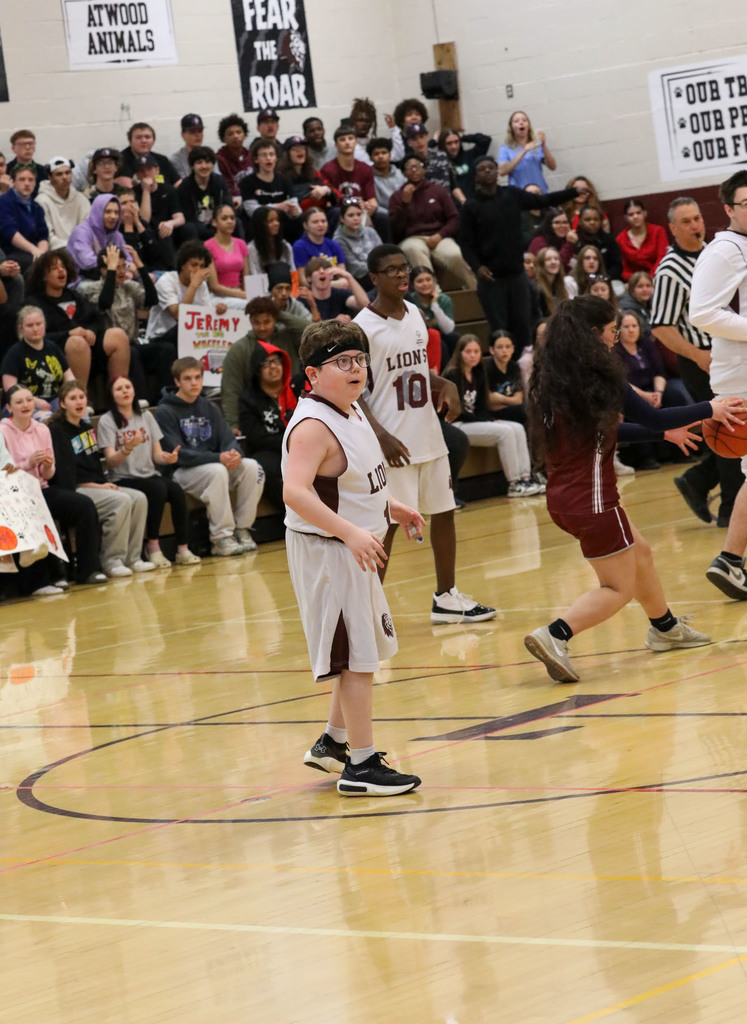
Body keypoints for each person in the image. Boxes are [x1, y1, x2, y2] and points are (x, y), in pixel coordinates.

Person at [523, 295, 740, 683]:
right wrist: (712, 408)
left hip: (564, 496)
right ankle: (555, 634)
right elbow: (653, 416)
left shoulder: (556, 379)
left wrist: (665, 433)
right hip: (592, 500)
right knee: (618, 588)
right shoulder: (599, 375)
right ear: (592, 334)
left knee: (640, 552)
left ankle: (665, 627)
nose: (615, 337)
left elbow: (605, 433)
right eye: (611, 330)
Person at [282, 318, 424, 795]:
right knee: (357, 658)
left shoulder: (351, 408)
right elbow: (295, 493)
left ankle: (333, 743)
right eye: (342, 362)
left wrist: (391, 508)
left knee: (361, 649)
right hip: (329, 551)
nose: (355, 368)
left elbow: (354, 482)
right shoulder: (311, 427)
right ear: (312, 375)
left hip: (353, 544)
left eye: (360, 359)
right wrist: (350, 533)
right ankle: (361, 769)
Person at [354, 244, 496, 623]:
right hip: (393, 444)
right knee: (384, 527)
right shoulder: (361, 327)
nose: (402, 275)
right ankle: (366, 609)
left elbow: (413, 374)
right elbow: (353, 389)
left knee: (444, 512)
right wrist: (379, 435)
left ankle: (446, 598)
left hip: (428, 435)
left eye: (405, 268)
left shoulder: (416, 312)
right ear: (374, 278)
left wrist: (444, 385)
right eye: (391, 270)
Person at [651, 196, 744, 528]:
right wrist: (697, 354)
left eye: (698, 218)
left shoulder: (715, 253)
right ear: (673, 228)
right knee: (733, 428)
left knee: (730, 429)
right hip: (700, 359)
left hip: (727, 354)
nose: (696, 225)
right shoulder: (670, 270)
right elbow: (660, 325)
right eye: (687, 221)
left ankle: (698, 480)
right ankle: (730, 513)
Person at [689, 170, 747, 598]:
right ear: (728, 210)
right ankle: (729, 559)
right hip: (741, 373)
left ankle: (729, 561)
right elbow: (702, 313)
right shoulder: (724, 250)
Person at [460, 156, 583, 350]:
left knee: (523, 327)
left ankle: (527, 372)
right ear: (475, 176)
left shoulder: (512, 195)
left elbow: (543, 200)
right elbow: (465, 244)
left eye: (491, 168)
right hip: (491, 279)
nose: (487, 171)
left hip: (516, 274)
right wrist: (478, 267)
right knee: (500, 330)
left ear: (497, 172)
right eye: (482, 169)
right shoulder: (470, 206)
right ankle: (505, 375)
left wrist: (572, 192)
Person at [155, 357, 264, 557]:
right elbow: (179, 455)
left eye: (198, 377)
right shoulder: (165, 411)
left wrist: (234, 454)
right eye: (187, 378)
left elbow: (228, 438)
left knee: (253, 468)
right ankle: (221, 538)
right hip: (181, 472)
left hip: (213, 465)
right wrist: (218, 458)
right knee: (217, 471)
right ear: (177, 382)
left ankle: (242, 529)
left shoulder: (209, 407)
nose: (194, 382)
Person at [48, 379, 155, 577]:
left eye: (82, 397)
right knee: (120, 501)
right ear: (63, 404)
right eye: (73, 398)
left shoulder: (86, 429)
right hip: (77, 488)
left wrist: (104, 484)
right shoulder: (57, 431)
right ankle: (112, 560)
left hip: (97, 485)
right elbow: (67, 475)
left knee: (139, 498)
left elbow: (95, 465)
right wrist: (98, 486)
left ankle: (133, 558)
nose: (79, 402)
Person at [97, 376, 200, 567]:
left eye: (128, 386)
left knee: (176, 491)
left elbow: (157, 455)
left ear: (134, 391)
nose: (125, 391)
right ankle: (152, 546)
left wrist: (168, 458)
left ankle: (182, 549)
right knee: (158, 489)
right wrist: (127, 448)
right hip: (123, 478)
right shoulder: (107, 421)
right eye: (119, 389)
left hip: (149, 474)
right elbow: (110, 462)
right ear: (111, 395)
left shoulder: (146, 417)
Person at [443, 335, 542, 496]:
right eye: (468, 351)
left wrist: (487, 419)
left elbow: (482, 405)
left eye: (476, 351)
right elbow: (458, 412)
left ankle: (526, 478)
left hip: (475, 421)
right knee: (506, 432)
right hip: (457, 424)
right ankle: (514, 483)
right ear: (460, 353)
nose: (473, 355)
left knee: (516, 428)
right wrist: (486, 420)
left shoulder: (478, 372)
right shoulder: (453, 375)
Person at [25, 249, 131, 391]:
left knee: (118, 335)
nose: (61, 271)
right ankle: (80, 397)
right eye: (55, 268)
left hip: (89, 347)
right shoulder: (34, 303)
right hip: (56, 351)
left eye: (63, 267)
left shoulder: (75, 296)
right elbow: (35, 337)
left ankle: (120, 392)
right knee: (77, 343)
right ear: (44, 276)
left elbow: (96, 319)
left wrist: (91, 331)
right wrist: (68, 334)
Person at [0, 385, 70, 596]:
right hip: (13, 491)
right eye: (19, 402)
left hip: (24, 488)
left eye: (28, 400)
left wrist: (43, 466)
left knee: (27, 499)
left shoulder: (41, 430)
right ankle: (25, 556)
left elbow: (6, 467)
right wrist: (26, 464)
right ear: (9, 408)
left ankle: (38, 574)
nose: (25, 405)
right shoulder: (4, 430)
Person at [221, 294, 309, 430]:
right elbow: (230, 389)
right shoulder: (239, 349)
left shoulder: (288, 336)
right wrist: (233, 424)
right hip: (257, 413)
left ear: (275, 319)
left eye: (267, 321)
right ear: (250, 321)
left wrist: (278, 313)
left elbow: (308, 329)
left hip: (293, 402)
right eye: (257, 322)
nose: (262, 327)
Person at [389, 155, 475, 289]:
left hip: (439, 236)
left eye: (417, 166)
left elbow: (454, 218)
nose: (414, 170)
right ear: (404, 173)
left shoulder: (438, 191)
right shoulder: (397, 196)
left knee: (455, 254)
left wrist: (441, 234)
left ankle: (476, 290)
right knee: (414, 250)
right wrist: (405, 204)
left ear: (424, 169)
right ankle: (433, 297)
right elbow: (396, 228)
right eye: (409, 168)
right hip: (412, 238)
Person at [238, 339, 297, 511]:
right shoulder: (248, 399)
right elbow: (256, 437)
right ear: (257, 370)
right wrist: (289, 442)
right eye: (266, 363)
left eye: (276, 361)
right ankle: (290, 515)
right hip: (272, 451)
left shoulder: (296, 388)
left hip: (301, 447)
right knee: (259, 465)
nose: (273, 367)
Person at [145, 241, 227, 350]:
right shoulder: (166, 281)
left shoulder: (201, 285)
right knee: (184, 329)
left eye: (202, 266)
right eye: (194, 265)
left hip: (188, 336)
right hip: (160, 337)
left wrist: (218, 310)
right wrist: (193, 286)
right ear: (183, 265)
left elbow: (206, 317)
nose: (198, 270)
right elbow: (179, 316)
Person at [1, 305, 74, 416]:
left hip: (54, 401)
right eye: (30, 325)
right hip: (24, 405)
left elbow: (69, 377)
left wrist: (72, 396)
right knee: (48, 418)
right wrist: (34, 402)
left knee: (78, 413)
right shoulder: (14, 354)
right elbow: (11, 389)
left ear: (44, 325)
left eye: (38, 324)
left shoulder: (53, 348)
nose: (35, 329)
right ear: (21, 328)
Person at [321, 125, 389, 241]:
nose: (347, 142)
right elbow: (329, 203)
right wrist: (354, 207)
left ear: (356, 142)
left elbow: (372, 199)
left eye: (350, 138)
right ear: (336, 145)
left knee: (383, 218)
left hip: (362, 210)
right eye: (342, 140)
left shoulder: (365, 168)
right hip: (340, 212)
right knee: (336, 212)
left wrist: (370, 206)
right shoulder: (328, 169)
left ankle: (387, 253)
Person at [67, 192, 132, 278]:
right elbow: (87, 262)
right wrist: (115, 264)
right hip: (81, 280)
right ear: (98, 212)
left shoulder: (116, 235)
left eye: (116, 212)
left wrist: (125, 267)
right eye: (108, 212)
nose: (113, 216)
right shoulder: (82, 231)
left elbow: (129, 260)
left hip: (111, 277)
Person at [240, 139, 300, 231]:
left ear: (276, 158)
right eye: (264, 155)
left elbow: (295, 204)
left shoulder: (285, 180)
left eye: (271, 154)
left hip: (281, 225)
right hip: (259, 227)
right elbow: (252, 211)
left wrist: (294, 211)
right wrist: (276, 207)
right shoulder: (247, 182)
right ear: (256, 159)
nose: (268, 158)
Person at [0, 164, 49, 272]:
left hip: (33, 253)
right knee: (35, 264)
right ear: (13, 182)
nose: (27, 183)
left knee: (55, 261)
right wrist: (34, 250)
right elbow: (10, 233)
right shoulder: (4, 202)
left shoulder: (37, 207)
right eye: (22, 179)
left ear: (35, 183)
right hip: (10, 254)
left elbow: (43, 235)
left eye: (31, 180)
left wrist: (42, 253)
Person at [35, 156, 90, 251]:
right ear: (50, 176)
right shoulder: (41, 201)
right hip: (56, 251)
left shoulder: (81, 199)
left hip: (80, 248)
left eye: (68, 173)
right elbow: (47, 236)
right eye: (59, 174)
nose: (65, 177)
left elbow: (87, 228)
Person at [176, 146, 232, 240]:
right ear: (192, 166)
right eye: (199, 163)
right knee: (189, 228)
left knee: (237, 222)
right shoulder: (184, 187)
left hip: (217, 225)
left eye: (207, 162)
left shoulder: (220, 182)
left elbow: (228, 205)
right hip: (196, 228)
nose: (204, 166)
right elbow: (188, 217)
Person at [497, 111, 557, 193]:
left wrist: (543, 145)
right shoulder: (505, 149)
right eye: (516, 121)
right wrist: (524, 151)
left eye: (524, 120)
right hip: (518, 195)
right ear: (511, 127)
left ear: (528, 126)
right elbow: (502, 171)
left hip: (539, 192)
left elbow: (553, 167)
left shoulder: (536, 144)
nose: (521, 123)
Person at [407, 265, 458, 357]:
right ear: (412, 285)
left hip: (441, 336)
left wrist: (435, 304)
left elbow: (448, 329)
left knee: (453, 338)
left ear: (434, 281)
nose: (425, 284)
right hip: (418, 338)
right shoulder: (410, 301)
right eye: (420, 281)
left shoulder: (444, 300)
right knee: (439, 343)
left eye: (428, 279)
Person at [278, 135, 338, 213]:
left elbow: (337, 194)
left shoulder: (314, 173)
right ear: (287, 154)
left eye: (302, 148)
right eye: (295, 149)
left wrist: (326, 190)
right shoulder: (280, 177)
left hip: (320, 215)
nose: (300, 151)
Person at [332, 197, 382, 289]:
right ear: (342, 219)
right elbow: (354, 268)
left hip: (377, 272)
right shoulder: (338, 240)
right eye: (351, 215)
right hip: (360, 281)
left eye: (359, 214)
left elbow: (382, 254)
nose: (356, 218)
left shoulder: (370, 232)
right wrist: (378, 268)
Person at [300, 257, 369, 322]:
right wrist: (334, 323)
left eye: (325, 269)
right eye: (316, 269)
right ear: (309, 278)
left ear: (331, 276)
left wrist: (348, 277)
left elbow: (365, 305)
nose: (321, 271)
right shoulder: (304, 300)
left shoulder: (341, 294)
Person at [616, 199, 669, 280]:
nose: (635, 217)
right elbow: (623, 268)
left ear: (645, 213)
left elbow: (662, 257)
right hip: (633, 283)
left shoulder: (658, 231)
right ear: (626, 218)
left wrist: (650, 277)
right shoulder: (620, 239)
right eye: (631, 214)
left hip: (658, 277)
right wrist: (637, 280)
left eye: (638, 213)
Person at [205, 204, 250, 298]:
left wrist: (247, 296)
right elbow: (214, 286)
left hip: (240, 294)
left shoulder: (241, 244)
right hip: (219, 297)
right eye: (224, 218)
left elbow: (246, 277)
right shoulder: (207, 246)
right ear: (214, 222)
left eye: (232, 218)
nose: (230, 221)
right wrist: (243, 295)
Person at [437, 127, 492, 202]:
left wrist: (463, 137)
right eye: (449, 143)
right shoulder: (439, 163)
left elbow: (485, 140)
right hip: (452, 207)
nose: (454, 146)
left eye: (456, 142)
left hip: (472, 203)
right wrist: (434, 141)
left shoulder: (469, 156)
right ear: (443, 145)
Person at [483, 330, 526, 424]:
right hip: (492, 414)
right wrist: (511, 401)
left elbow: (519, 399)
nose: (504, 351)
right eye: (499, 347)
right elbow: (490, 403)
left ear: (513, 349)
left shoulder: (514, 367)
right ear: (491, 350)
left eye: (508, 347)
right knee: (524, 411)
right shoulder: (486, 368)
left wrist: (500, 399)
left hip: (513, 409)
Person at [117, 122, 178, 187]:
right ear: (130, 141)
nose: (144, 140)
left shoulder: (162, 160)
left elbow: (178, 183)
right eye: (138, 137)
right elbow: (128, 189)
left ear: (153, 140)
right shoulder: (120, 160)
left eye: (147, 137)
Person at [575, 205, 623, 282]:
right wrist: (592, 278)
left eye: (596, 219)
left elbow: (617, 266)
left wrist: (601, 279)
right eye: (587, 219)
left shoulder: (608, 240)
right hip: (580, 281)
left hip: (606, 280)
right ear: (580, 221)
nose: (592, 222)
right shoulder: (574, 240)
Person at [293, 207, 345, 278]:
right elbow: (303, 280)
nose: (320, 225)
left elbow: (343, 276)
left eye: (323, 221)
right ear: (305, 225)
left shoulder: (334, 244)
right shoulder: (300, 246)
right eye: (315, 222)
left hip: (336, 286)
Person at [215, 114, 253, 205]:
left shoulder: (252, 156)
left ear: (244, 135)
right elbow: (225, 186)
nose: (235, 136)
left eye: (239, 132)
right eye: (230, 134)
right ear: (223, 138)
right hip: (233, 201)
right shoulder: (219, 159)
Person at [246, 204, 295, 275]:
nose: (276, 224)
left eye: (277, 220)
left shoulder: (285, 245)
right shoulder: (252, 249)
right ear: (260, 224)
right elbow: (255, 275)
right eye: (270, 221)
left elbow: (292, 271)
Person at [367, 137, 406, 211]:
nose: (380, 157)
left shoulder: (400, 174)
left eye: (384, 153)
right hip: (383, 217)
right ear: (370, 158)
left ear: (390, 155)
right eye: (376, 154)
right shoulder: (369, 177)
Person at [170, 113, 207, 182]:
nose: (197, 135)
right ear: (183, 135)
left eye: (200, 131)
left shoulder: (209, 155)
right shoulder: (176, 159)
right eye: (192, 132)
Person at [534, 246, 568, 316]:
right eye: (548, 259)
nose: (553, 262)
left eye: (556, 259)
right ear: (541, 264)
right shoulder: (536, 289)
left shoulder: (560, 286)